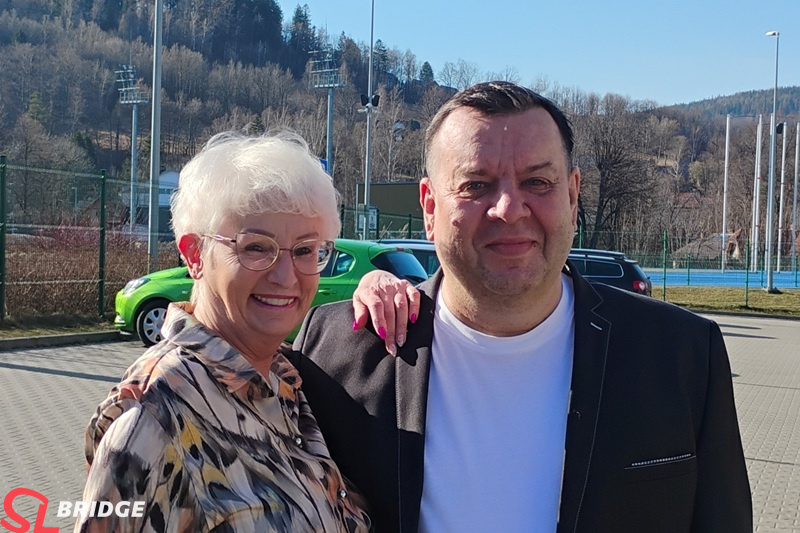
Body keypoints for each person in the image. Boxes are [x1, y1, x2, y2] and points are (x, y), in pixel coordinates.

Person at [289, 81, 752, 532]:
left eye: (537, 182)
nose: (509, 208)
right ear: (429, 207)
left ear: (572, 195)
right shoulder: (336, 353)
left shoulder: (681, 353)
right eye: (476, 184)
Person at [77, 131, 372, 532]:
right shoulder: (155, 417)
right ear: (195, 255)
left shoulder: (286, 383)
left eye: (305, 250)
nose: (286, 276)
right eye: (256, 247)